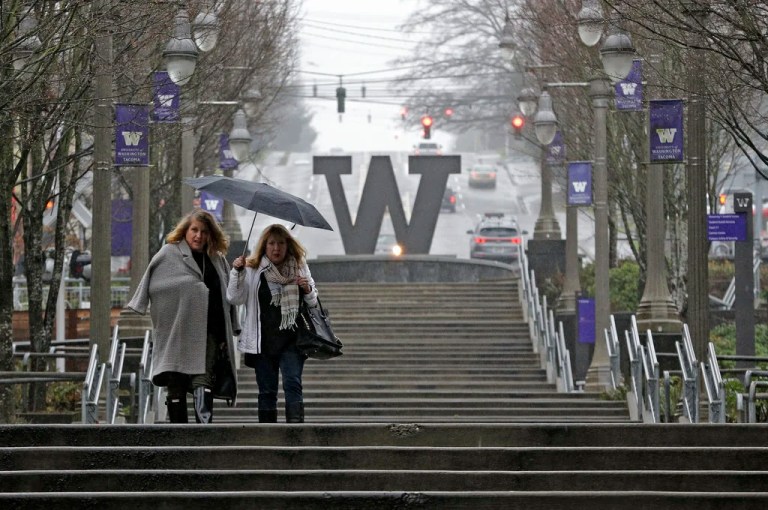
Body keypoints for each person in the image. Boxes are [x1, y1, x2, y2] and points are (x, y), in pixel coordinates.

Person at [126, 210, 239, 424]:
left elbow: (228, 295)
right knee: (175, 381)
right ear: (185, 231)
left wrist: (228, 331)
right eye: (194, 230)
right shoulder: (169, 253)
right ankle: (178, 435)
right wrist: (193, 290)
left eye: (204, 232)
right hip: (176, 330)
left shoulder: (217, 259)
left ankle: (202, 434)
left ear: (211, 234)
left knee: (202, 380)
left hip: (209, 332)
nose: (199, 236)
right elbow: (157, 285)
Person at [227, 224, 317, 423]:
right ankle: (268, 436)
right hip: (263, 342)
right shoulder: (252, 268)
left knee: (293, 383)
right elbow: (234, 298)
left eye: (281, 243)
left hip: (292, 340)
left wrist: (308, 289)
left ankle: (295, 433)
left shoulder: (299, 266)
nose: (276, 248)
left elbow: (313, 304)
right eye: (272, 243)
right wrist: (237, 273)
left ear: (288, 245)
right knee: (266, 391)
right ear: (264, 246)